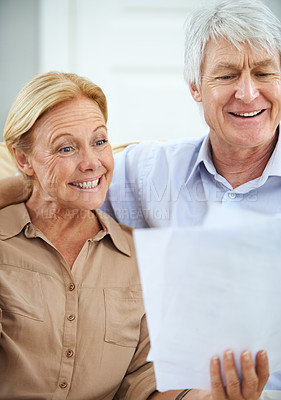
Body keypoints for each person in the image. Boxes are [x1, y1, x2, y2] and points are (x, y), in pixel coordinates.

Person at [0, 70, 270, 400]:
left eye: (100, 142)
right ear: (23, 158)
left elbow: (144, 383)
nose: (91, 163)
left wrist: (212, 398)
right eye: (66, 148)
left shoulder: (138, 258)